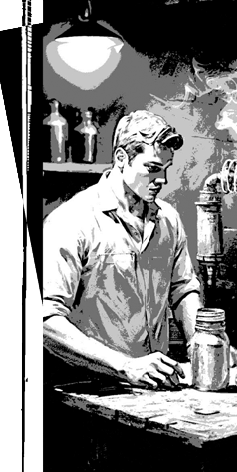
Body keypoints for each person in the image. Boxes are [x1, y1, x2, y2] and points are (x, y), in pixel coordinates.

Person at [43, 110, 202, 390]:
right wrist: (125, 365)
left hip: (155, 384)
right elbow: (45, 320)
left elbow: (183, 290)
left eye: (166, 168)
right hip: (86, 388)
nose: (162, 180)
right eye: (152, 168)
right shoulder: (72, 220)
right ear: (121, 158)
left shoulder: (169, 220)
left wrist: (200, 344)